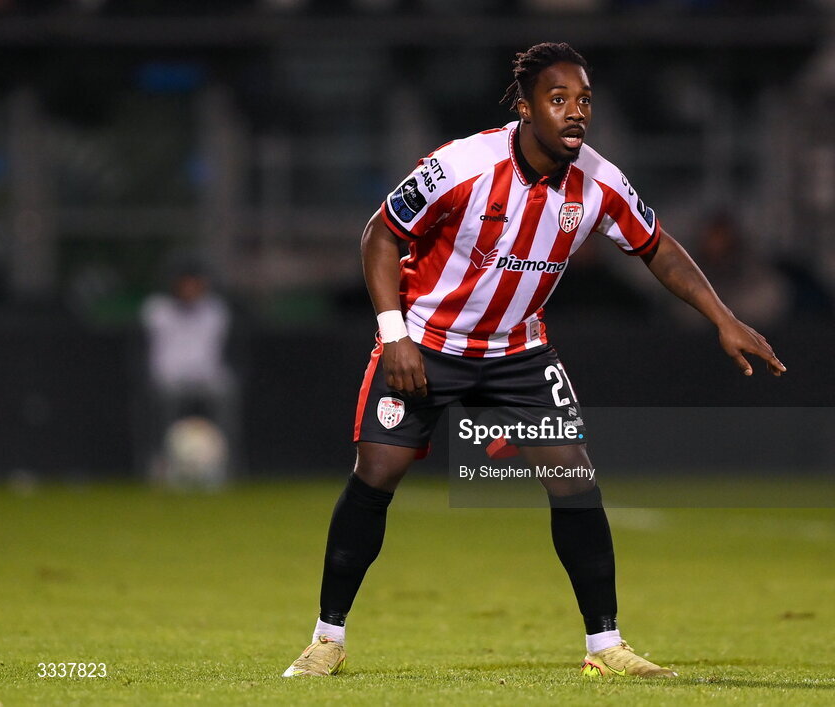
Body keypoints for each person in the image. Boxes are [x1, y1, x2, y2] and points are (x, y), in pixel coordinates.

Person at [283, 42, 785, 680]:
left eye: (584, 101)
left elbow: (656, 247)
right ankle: (327, 640)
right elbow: (380, 235)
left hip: (518, 350)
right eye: (558, 100)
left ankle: (607, 648)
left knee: (575, 481)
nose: (576, 113)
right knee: (376, 474)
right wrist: (395, 335)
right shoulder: (462, 165)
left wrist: (723, 318)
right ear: (525, 108)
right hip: (427, 343)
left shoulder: (600, 181)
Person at [140, 256, 240, 485]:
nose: (190, 289)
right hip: (169, 381)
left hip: (207, 380)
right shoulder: (157, 311)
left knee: (225, 394)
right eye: (185, 283)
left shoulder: (216, 311)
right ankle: (164, 464)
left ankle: (220, 465)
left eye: (195, 284)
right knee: (167, 399)